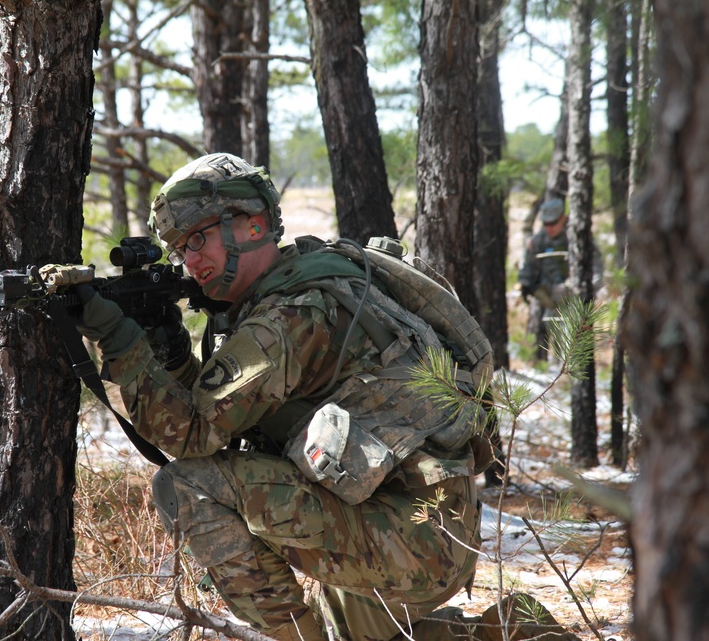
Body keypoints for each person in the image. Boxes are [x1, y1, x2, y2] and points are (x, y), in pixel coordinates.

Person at [73, 153, 577, 641]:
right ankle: (514, 629)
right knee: (352, 634)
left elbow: (191, 434)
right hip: (426, 528)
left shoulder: (289, 316)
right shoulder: (309, 277)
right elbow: (222, 413)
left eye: (199, 238)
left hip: (409, 537)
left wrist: (120, 343)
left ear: (251, 225)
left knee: (188, 487)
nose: (191, 258)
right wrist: (172, 350)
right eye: (181, 246)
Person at [517, 198, 603, 359]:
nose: (549, 228)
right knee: (552, 324)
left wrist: (594, 285)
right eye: (545, 224)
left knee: (574, 330)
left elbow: (597, 262)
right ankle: (558, 367)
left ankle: (574, 368)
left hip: (577, 294)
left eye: (553, 223)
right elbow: (529, 265)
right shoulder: (539, 240)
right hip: (552, 296)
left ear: (563, 218)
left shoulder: (577, 235)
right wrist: (525, 284)